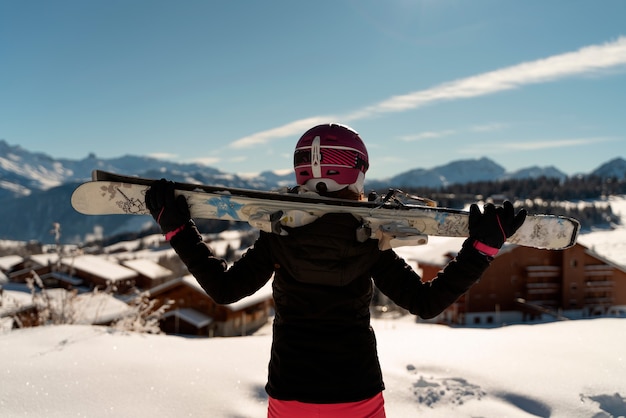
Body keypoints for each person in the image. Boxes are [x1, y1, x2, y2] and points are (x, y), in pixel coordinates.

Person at [145, 123, 527, 418]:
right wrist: (482, 247)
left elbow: (224, 289)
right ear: (357, 171)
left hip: (289, 392)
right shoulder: (370, 241)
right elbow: (425, 303)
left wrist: (178, 229)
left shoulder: (279, 237)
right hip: (355, 392)